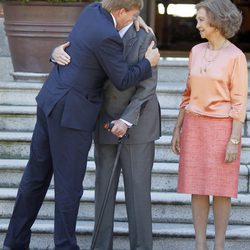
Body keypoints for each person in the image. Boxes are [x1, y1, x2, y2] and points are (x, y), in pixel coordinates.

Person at [3, 1, 160, 250]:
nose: (135, 19)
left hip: (50, 102)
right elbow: (122, 79)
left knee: (35, 177)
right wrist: (148, 63)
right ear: (120, 12)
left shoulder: (92, 11)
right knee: (69, 187)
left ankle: (14, 241)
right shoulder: (107, 36)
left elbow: (79, 46)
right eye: (133, 14)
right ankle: (65, 245)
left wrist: (135, 19)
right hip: (71, 114)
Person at [52, 20, 160, 249]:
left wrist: (127, 119)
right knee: (103, 191)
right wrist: (55, 52)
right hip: (103, 120)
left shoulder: (145, 37)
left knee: (137, 194)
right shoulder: (97, 30)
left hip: (138, 123)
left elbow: (147, 86)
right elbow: (74, 56)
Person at [171, 1, 248, 250]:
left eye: (201, 20)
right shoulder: (195, 50)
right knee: (198, 187)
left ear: (217, 21)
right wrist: (177, 127)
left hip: (222, 128)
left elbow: (239, 102)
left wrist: (234, 140)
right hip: (194, 126)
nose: (197, 25)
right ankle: (200, 244)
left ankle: (219, 245)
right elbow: (188, 92)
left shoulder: (235, 56)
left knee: (222, 190)